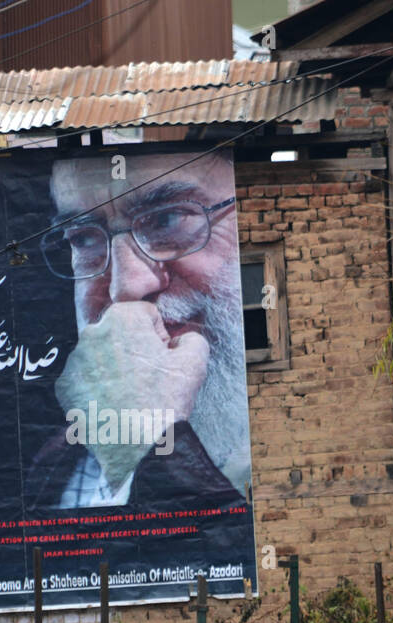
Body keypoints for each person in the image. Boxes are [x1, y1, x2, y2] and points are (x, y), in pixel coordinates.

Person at [28, 150, 252, 510]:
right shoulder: (52, 470)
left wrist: (153, 443)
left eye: (166, 220)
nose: (126, 286)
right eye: (84, 238)